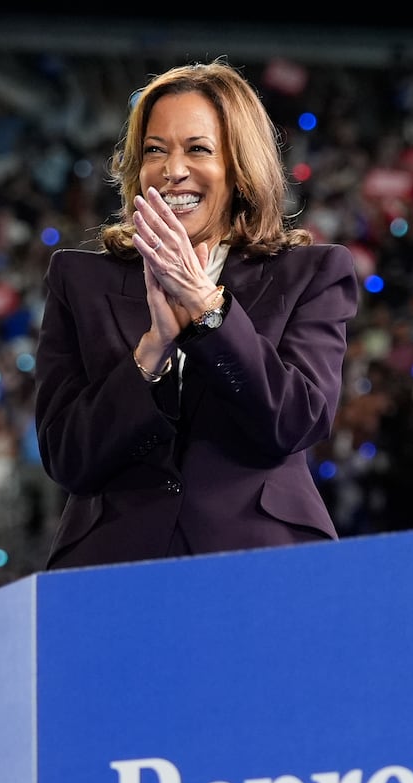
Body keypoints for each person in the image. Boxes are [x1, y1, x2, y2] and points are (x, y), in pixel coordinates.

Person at [32, 58, 359, 569]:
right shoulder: (79, 280)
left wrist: (210, 312)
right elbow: (67, 456)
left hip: (262, 563)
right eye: (155, 151)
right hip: (112, 567)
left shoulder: (312, 274)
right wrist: (150, 354)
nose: (173, 169)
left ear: (240, 167)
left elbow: (296, 422)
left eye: (198, 149)